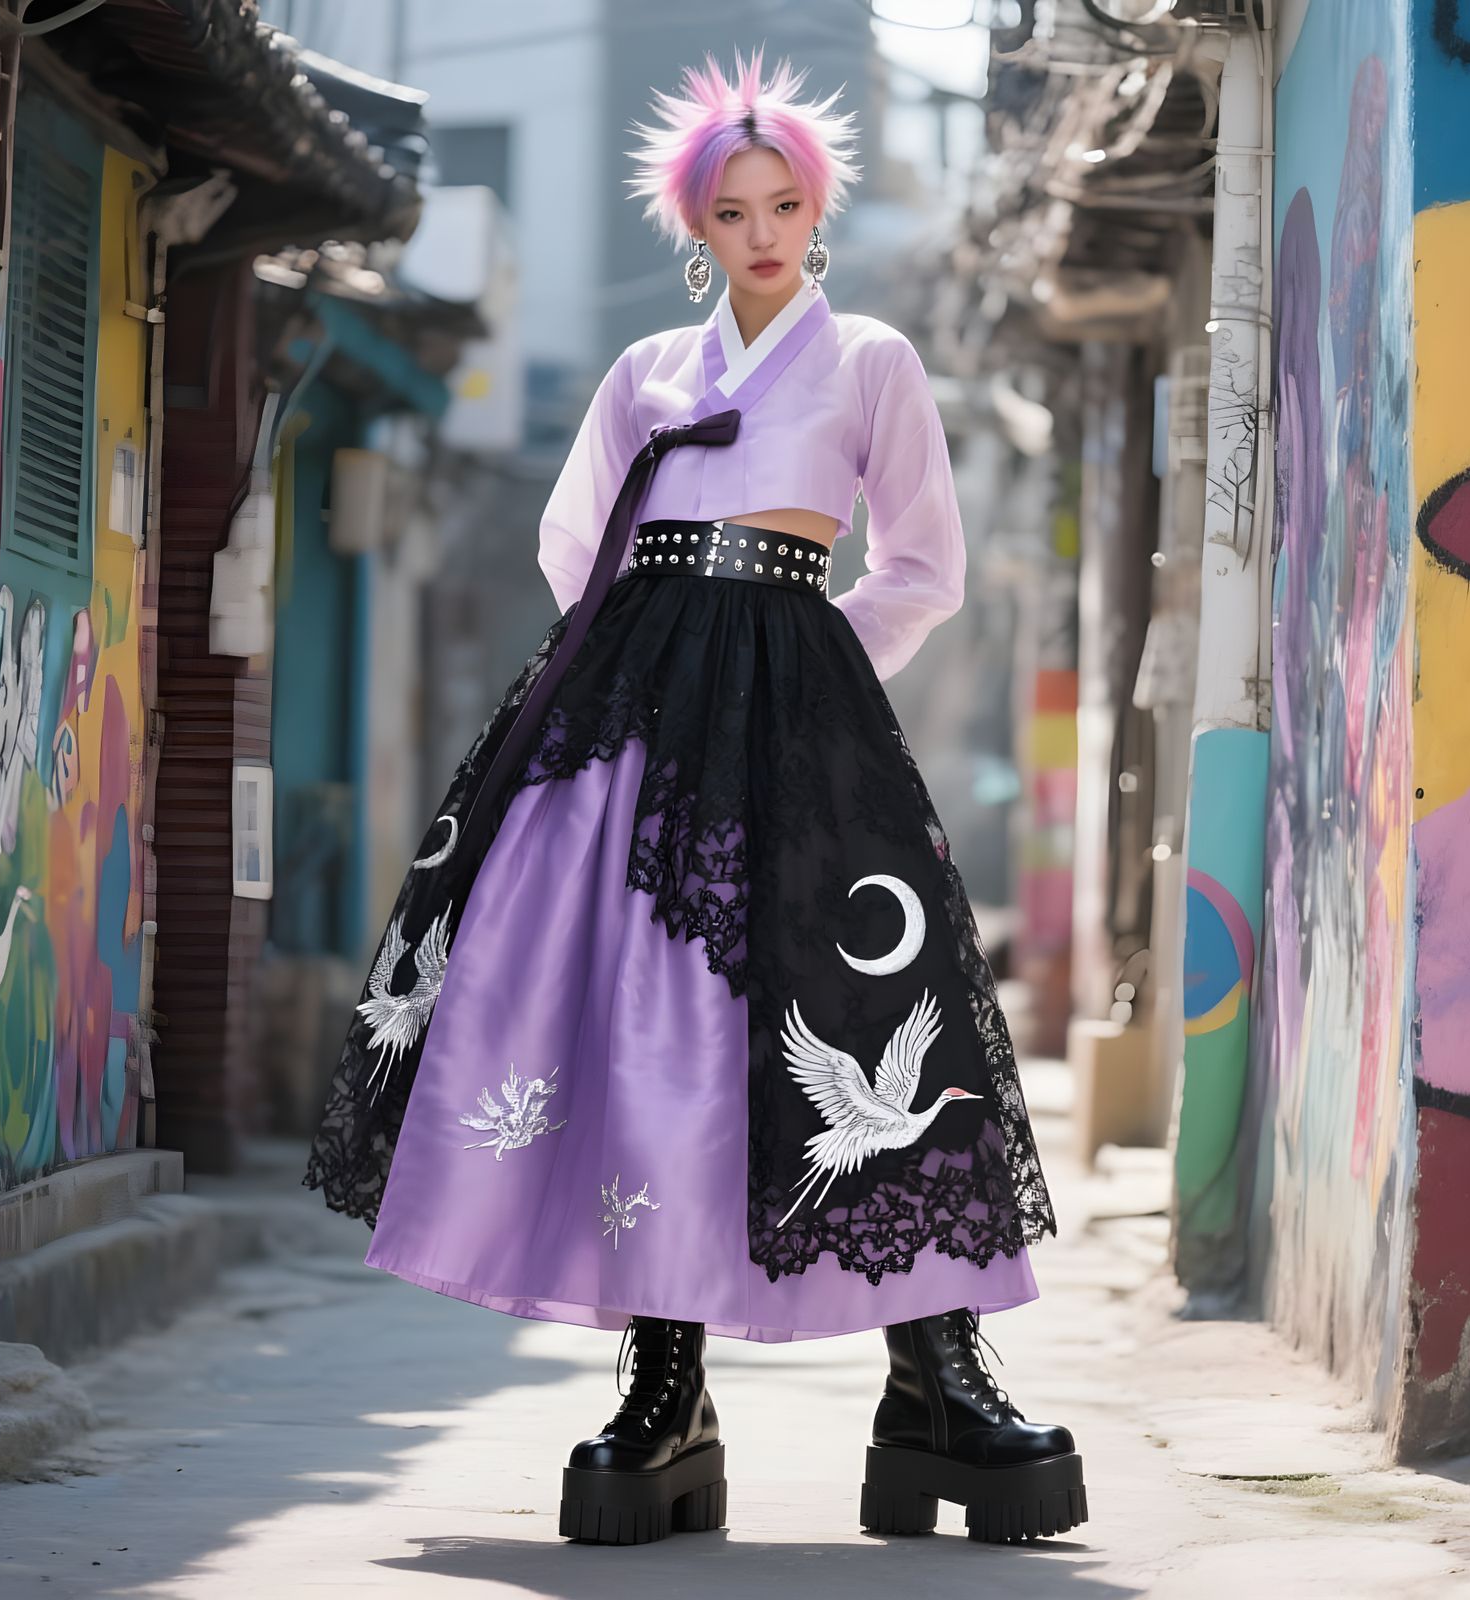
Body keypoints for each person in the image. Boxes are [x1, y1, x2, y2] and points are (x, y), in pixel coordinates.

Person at [304, 48, 1083, 1548]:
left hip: (804, 721)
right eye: (736, 211)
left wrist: (805, 672)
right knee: (634, 1027)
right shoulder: (644, 376)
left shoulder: (871, 364)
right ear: (698, 228)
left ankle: (937, 1378)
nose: (766, 231)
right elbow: (572, 546)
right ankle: (665, 1386)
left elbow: (924, 568)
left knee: (863, 1025)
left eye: (788, 203)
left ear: (820, 208)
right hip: (631, 715)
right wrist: (664, 672)